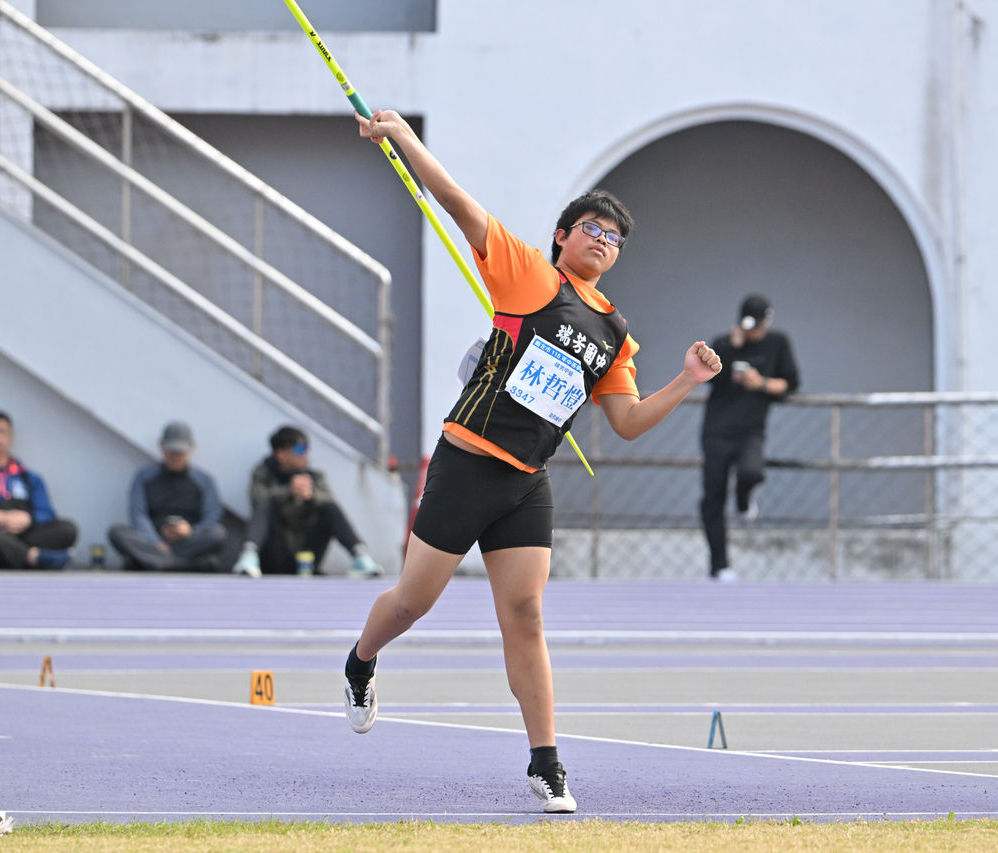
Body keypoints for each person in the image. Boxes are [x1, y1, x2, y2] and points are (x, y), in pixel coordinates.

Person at [343, 108, 722, 815]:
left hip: (526, 482)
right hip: (466, 466)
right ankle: (361, 659)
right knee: (413, 602)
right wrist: (404, 137)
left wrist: (686, 380)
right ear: (563, 235)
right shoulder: (528, 275)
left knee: (526, 615)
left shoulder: (615, 333)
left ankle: (547, 763)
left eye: (613, 238)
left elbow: (628, 423)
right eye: (592, 229)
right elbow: (456, 201)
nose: (602, 241)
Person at [700, 294, 800, 583]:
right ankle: (719, 566)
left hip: (750, 431)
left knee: (752, 472)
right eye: (747, 327)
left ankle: (744, 501)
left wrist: (760, 383)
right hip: (717, 430)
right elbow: (708, 378)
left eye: (756, 327)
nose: (752, 332)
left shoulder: (778, 343)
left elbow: (791, 383)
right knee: (713, 497)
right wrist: (731, 349)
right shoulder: (723, 344)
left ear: (768, 321)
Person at [231, 426, 378, 578]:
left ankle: (361, 556)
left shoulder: (315, 477)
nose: (306, 454)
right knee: (265, 503)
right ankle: (248, 556)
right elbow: (257, 499)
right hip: (275, 554)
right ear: (281, 454)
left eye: (307, 449)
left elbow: (330, 502)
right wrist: (288, 492)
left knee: (329, 507)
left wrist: (311, 495)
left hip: (307, 555)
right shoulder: (264, 474)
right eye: (300, 449)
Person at [0, 410, 78, 569]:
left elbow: (47, 513)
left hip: (21, 533)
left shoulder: (29, 477)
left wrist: (27, 519)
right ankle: (33, 557)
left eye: (1, 432)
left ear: (10, 436)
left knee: (67, 529)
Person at [107, 422, 228, 572]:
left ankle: (156, 563)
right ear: (161, 446)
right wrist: (155, 541)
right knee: (117, 532)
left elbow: (212, 516)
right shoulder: (144, 477)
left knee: (217, 534)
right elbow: (138, 514)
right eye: (171, 451)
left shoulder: (204, 480)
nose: (175, 456)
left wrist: (190, 531)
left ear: (192, 447)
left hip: (187, 542)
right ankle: (179, 564)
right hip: (153, 541)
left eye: (180, 452)